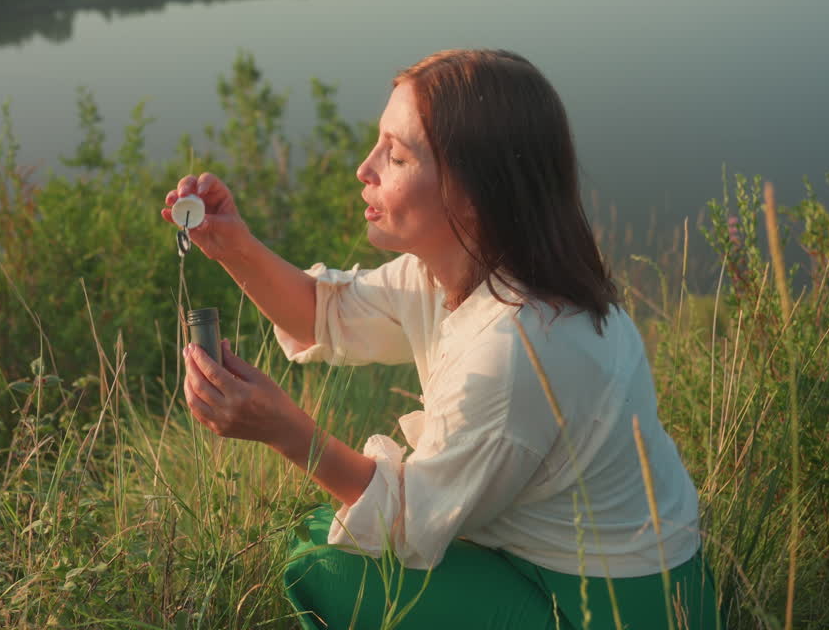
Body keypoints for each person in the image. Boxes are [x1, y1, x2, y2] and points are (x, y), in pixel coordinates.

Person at [162, 49, 720, 629]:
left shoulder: (521, 347)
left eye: (395, 156)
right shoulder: (456, 270)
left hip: (616, 610)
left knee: (325, 566)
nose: (364, 168)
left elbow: (410, 519)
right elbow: (317, 315)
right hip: (563, 571)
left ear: (473, 195)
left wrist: (285, 431)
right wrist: (233, 246)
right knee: (325, 530)